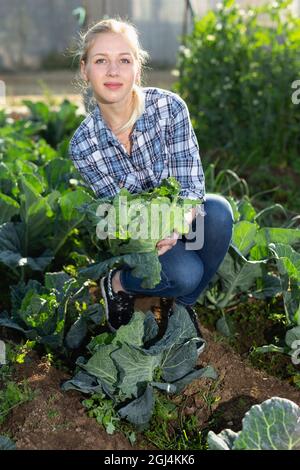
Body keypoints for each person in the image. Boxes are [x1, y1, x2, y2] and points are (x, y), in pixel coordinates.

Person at [69, 18, 234, 352]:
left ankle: (181, 309)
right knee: (186, 272)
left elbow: (190, 187)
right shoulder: (84, 144)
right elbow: (121, 215)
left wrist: (176, 226)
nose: (113, 71)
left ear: (137, 69)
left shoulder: (169, 109)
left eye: (124, 60)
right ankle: (118, 284)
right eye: (101, 60)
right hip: (139, 235)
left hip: (180, 221)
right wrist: (155, 236)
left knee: (217, 213)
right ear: (85, 70)